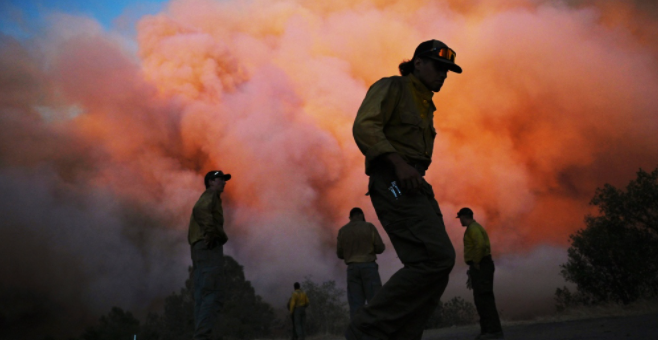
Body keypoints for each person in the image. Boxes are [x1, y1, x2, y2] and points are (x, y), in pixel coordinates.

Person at [349, 39, 462, 340]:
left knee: (433, 263)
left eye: (448, 71)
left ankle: (401, 334)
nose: (444, 75)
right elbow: (364, 126)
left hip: (411, 184)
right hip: (393, 184)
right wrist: (398, 164)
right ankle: (367, 328)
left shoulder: (425, 103)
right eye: (439, 67)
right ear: (418, 63)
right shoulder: (393, 88)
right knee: (437, 258)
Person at [188, 170, 231, 340]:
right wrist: (211, 232)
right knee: (213, 293)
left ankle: (200, 335)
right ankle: (202, 336)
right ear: (211, 182)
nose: (224, 182)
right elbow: (199, 209)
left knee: (202, 295)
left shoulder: (210, 196)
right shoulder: (210, 195)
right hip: (208, 248)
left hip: (199, 250)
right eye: (220, 179)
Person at [457, 207, 504, 339]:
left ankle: (493, 331)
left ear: (464, 216)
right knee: (481, 299)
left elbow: (481, 245)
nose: (459, 221)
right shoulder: (474, 228)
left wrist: (476, 262)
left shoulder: (473, 229)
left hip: (482, 265)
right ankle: (487, 331)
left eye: (460, 218)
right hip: (481, 265)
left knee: (484, 298)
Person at [337, 207, 386, 319]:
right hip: (369, 267)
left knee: (356, 305)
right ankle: (377, 332)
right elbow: (379, 248)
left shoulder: (342, 231)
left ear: (350, 217)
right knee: (375, 302)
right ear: (361, 215)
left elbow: (340, 254)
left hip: (352, 269)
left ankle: (358, 333)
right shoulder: (369, 227)